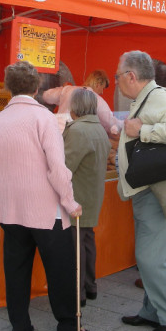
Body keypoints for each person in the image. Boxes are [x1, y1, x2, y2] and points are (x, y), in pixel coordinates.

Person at [0, 61, 97, 331]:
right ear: (37, 88)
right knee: (61, 267)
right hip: (44, 210)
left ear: (8, 88)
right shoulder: (43, 118)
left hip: (7, 209)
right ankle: (68, 323)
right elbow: (57, 166)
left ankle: (20, 326)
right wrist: (69, 202)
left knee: (16, 267)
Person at [116, 51, 166, 331]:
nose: (117, 81)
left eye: (118, 75)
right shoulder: (147, 97)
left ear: (131, 76)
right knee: (151, 255)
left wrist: (142, 130)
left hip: (158, 190)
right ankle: (151, 310)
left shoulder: (157, 96)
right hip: (148, 189)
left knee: (149, 258)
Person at [63, 88, 111, 308]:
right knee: (87, 240)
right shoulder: (99, 128)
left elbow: (65, 167)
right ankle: (90, 286)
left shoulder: (77, 130)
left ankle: (78, 291)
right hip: (93, 193)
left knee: (76, 246)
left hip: (78, 195)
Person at [41, 70, 122, 134]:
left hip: (56, 131)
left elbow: (46, 96)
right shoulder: (96, 98)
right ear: (98, 85)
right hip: (75, 137)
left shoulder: (67, 90)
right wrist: (124, 124)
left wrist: (62, 94)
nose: (102, 92)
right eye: (103, 88)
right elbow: (109, 121)